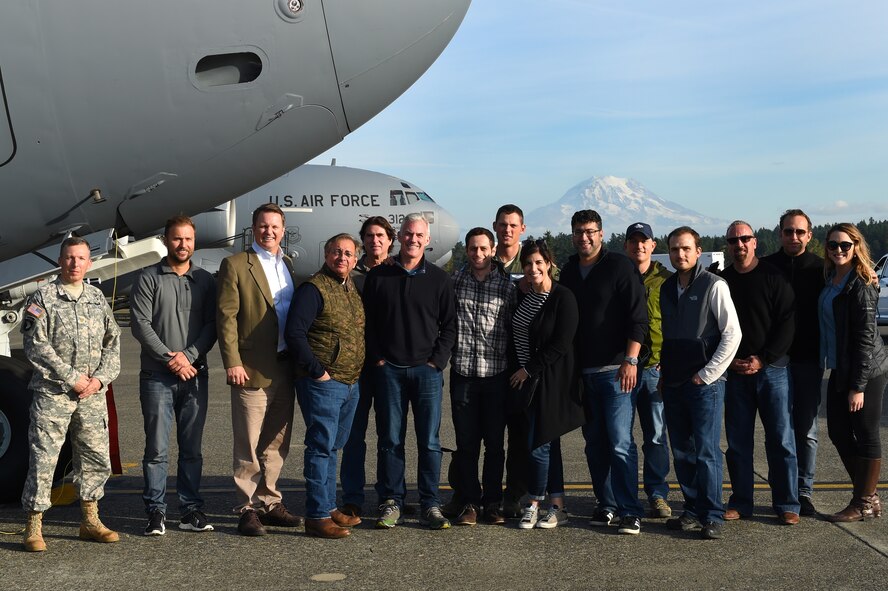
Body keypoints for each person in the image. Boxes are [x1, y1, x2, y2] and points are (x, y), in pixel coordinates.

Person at [21, 237, 121, 552]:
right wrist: (72, 378)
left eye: (81, 258)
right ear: (59, 261)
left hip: (92, 395)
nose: (75, 264)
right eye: (69, 258)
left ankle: (90, 521)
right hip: (54, 394)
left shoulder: (96, 297)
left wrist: (100, 379)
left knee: (94, 457)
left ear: (89, 262)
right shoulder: (42, 297)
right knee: (44, 458)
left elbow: (113, 341)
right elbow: (35, 344)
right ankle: (34, 526)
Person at [362, 212, 457, 530]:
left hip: (426, 372)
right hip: (388, 370)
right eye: (408, 234)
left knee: (429, 441)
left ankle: (430, 502)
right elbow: (369, 323)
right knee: (390, 439)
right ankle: (392, 501)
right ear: (399, 237)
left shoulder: (439, 280)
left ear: (427, 240)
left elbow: (450, 327)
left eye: (419, 235)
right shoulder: (379, 277)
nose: (413, 239)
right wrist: (377, 358)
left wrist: (437, 362)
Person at [217, 203, 303, 536]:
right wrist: (232, 362)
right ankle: (246, 507)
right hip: (250, 367)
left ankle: (269, 502)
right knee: (248, 444)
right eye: (263, 226)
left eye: (275, 226)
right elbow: (226, 317)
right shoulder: (236, 264)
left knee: (276, 443)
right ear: (253, 229)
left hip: (284, 367)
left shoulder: (288, 264)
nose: (269, 231)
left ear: (283, 230)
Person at [559, 210, 648, 535]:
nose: (585, 237)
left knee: (620, 441)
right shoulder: (568, 271)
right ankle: (606, 503)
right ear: (572, 235)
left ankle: (629, 509)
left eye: (590, 231)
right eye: (579, 232)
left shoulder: (619, 267)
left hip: (616, 371)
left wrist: (631, 360)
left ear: (601, 233)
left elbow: (638, 318)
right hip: (583, 373)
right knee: (594, 443)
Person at [130, 216, 217, 536]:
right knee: (156, 449)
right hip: (157, 378)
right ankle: (155, 511)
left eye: (188, 239)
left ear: (195, 242)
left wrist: (189, 357)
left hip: (195, 376)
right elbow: (140, 324)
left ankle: (190, 510)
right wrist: (171, 359)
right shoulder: (149, 277)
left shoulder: (206, 280)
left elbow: (212, 326)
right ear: (166, 241)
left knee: (192, 449)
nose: (183, 245)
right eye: (177, 239)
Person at [660, 227, 741, 540]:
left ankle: (712, 514)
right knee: (682, 450)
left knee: (707, 451)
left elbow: (732, 334)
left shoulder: (714, 285)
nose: (680, 254)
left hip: (704, 383)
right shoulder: (667, 288)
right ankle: (692, 509)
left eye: (685, 249)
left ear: (697, 251)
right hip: (675, 382)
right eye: (674, 249)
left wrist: (707, 373)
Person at [286, 233, 365, 538]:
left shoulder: (349, 287)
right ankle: (317, 516)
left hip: (349, 382)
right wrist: (318, 372)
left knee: (333, 446)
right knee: (320, 447)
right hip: (323, 383)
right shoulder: (314, 288)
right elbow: (295, 333)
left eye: (347, 253)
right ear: (326, 253)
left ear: (354, 260)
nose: (342, 257)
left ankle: (329, 507)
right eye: (336, 252)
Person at [721, 220, 800, 525]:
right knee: (738, 443)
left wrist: (763, 359)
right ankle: (741, 501)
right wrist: (730, 362)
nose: (738, 245)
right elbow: (715, 327)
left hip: (772, 371)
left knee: (780, 439)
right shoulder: (721, 281)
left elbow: (787, 323)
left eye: (744, 239)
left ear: (755, 242)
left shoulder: (773, 277)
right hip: (736, 372)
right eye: (733, 240)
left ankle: (787, 502)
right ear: (728, 245)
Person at [510, 239, 583, 530]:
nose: (533, 268)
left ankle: (534, 503)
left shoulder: (563, 296)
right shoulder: (526, 297)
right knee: (547, 445)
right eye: (528, 263)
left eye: (539, 262)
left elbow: (561, 344)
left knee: (539, 444)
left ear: (549, 264)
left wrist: (527, 370)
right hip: (528, 384)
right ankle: (558, 506)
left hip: (549, 381)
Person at [818, 223, 888, 522]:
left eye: (845, 245)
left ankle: (862, 502)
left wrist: (857, 386)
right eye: (833, 245)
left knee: (866, 432)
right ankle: (867, 497)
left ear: (856, 246)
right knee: (838, 431)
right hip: (840, 367)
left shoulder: (861, 284)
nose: (838, 250)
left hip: (866, 372)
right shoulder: (831, 278)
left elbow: (864, 339)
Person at [449, 228, 516, 526]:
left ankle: (492, 502)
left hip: (495, 376)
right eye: (473, 248)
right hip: (463, 374)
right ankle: (469, 502)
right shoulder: (454, 283)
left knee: (494, 445)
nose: (478, 254)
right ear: (467, 250)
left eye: (483, 249)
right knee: (466, 445)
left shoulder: (506, 286)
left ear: (492, 250)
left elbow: (516, 330)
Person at [762, 209, 825, 516]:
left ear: (809, 235)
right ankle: (782, 489)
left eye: (800, 232)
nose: (794, 237)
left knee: (807, 430)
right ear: (780, 234)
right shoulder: (767, 267)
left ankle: (804, 490)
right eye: (789, 231)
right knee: (777, 430)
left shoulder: (821, 269)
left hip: (808, 359)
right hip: (774, 361)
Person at [339, 216, 396, 518]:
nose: (375, 241)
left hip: (389, 366)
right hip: (356, 367)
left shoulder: (399, 272)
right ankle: (352, 497)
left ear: (390, 240)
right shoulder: (350, 274)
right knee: (353, 435)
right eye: (370, 236)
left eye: (380, 236)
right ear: (363, 242)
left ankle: (389, 495)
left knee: (390, 434)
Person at [623, 222, 673, 518]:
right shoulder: (618, 277)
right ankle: (625, 495)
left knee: (655, 435)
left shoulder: (666, 280)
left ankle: (657, 493)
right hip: (623, 369)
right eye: (633, 241)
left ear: (653, 246)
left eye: (645, 241)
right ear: (626, 245)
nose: (639, 246)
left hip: (654, 368)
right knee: (622, 437)